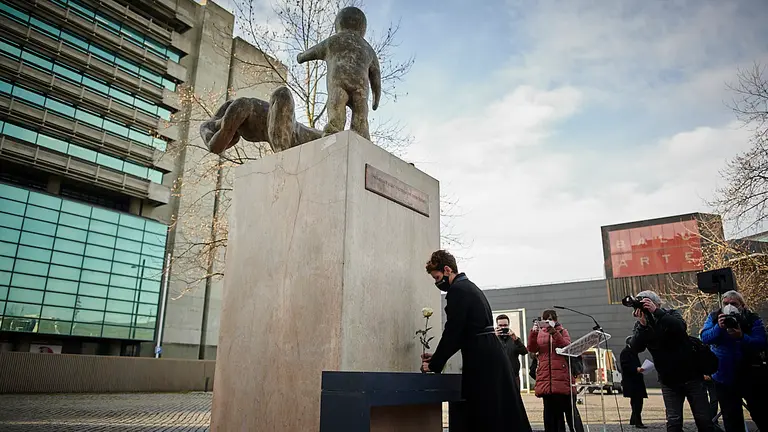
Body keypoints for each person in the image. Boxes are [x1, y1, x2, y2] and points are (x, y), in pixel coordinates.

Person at [421, 250, 532, 432]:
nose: (437, 282)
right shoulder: (470, 287)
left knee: (485, 411)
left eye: (437, 277)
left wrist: (434, 364)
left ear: (448, 270)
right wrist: (437, 357)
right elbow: (464, 332)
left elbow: (453, 332)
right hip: (490, 352)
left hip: (482, 358)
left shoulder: (458, 290)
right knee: (501, 411)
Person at [629, 290, 713, 432]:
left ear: (657, 303)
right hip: (668, 380)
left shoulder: (671, 314)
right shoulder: (642, 325)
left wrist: (656, 312)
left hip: (691, 376)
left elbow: (680, 328)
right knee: (673, 422)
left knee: (703, 420)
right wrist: (642, 325)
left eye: (647, 303)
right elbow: (636, 347)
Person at [700, 290, 768, 432]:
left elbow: (761, 342)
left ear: (742, 305)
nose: (729, 306)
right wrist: (718, 327)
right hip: (724, 377)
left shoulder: (751, 319)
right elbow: (705, 338)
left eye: (734, 304)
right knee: (731, 419)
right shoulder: (714, 317)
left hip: (751, 374)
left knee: (761, 414)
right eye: (726, 303)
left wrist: (741, 337)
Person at [528, 309, 585, 432]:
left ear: (556, 320)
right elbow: (532, 348)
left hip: (562, 376)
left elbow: (567, 346)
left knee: (570, 411)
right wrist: (533, 332)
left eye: (552, 318)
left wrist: (554, 333)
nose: (549, 321)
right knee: (550, 413)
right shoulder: (539, 333)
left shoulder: (562, 331)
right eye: (546, 319)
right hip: (546, 377)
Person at [620, 336, 648, 429]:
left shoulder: (632, 352)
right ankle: (637, 422)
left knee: (637, 401)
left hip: (635, 381)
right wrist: (636, 369)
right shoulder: (626, 352)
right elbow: (625, 366)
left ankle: (634, 420)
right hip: (632, 382)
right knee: (637, 403)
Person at [496, 313, 528, 390]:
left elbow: (524, 352)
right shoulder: (493, 340)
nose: (503, 327)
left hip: (514, 376)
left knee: (515, 400)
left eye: (505, 325)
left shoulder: (514, 340)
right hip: (498, 376)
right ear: (497, 325)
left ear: (508, 325)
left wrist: (516, 340)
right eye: (500, 325)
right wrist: (494, 338)